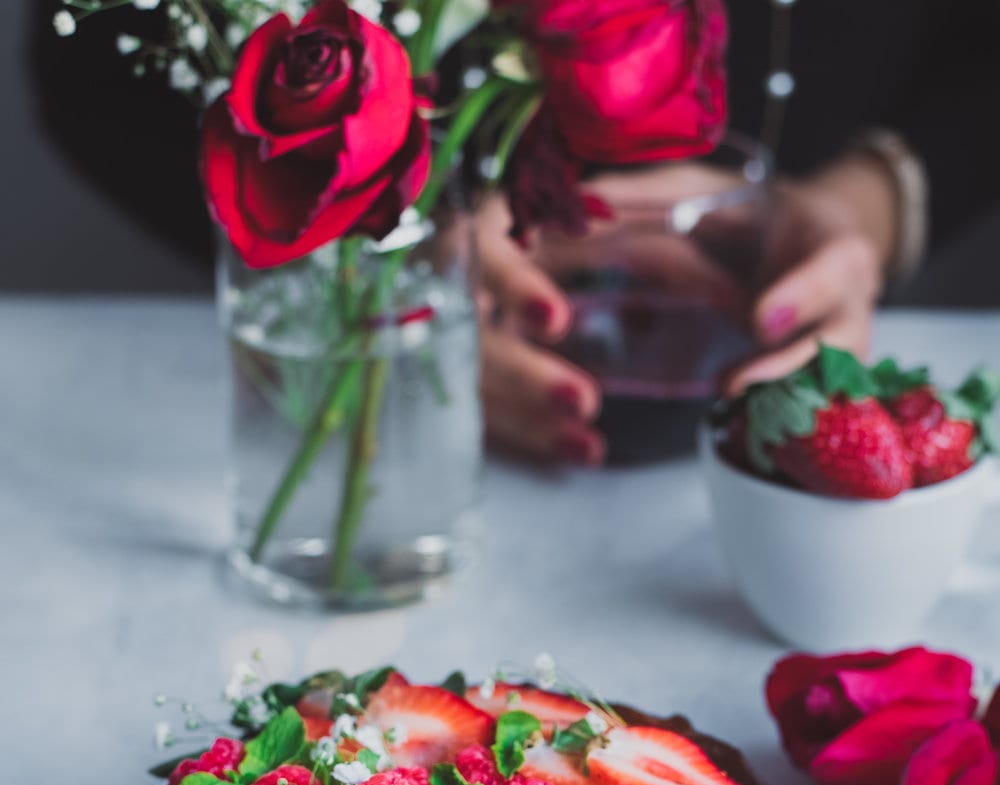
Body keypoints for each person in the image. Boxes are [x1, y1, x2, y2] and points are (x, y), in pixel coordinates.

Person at [31, 0, 1000, 464]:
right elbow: (80, 57)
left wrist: (864, 206)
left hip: (771, 464)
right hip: (371, 438)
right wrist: (402, 242)